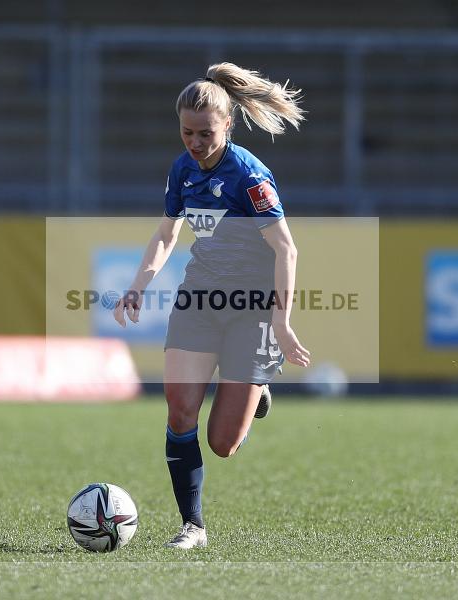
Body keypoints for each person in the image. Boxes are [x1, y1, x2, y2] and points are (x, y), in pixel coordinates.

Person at [113, 62, 312, 549]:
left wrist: (282, 324)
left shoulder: (248, 174)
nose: (195, 143)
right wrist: (138, 284)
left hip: (251, 309)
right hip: (199, 299)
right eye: (187, 132)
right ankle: (193, 526)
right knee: (180, 410)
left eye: (205, 133)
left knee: (222, 444)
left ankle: (256, 388)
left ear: (228, 125)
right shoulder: (181, 170)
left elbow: (286, 249)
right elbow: (167, 233)